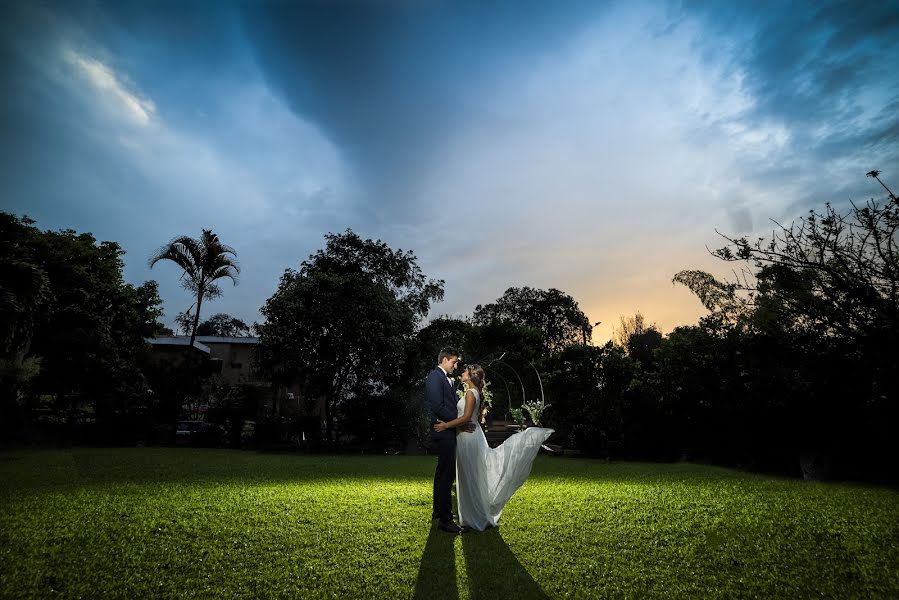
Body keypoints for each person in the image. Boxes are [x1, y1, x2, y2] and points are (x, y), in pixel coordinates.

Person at [435, 364, 554, 531]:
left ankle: (474, 518)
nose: (461, 372)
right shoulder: (473, 392)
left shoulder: (470, 393)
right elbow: (470, 419)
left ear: (470, 376)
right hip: (468, 436)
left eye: (465, 372)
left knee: (470, 477)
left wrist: (446, 425)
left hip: (468, 439)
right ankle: (472, 515)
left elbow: (467, 417)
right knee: (470, 476)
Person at [426, 348, 475, 534]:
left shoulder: (445, 378)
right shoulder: (434, 378)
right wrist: (457, 424)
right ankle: (445, 520)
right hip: (443, 430)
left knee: (442, 472)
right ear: (444, 360)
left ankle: (438, 511)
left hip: (447, 429)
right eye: (454, 362)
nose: (456, 366)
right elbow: (438, 406)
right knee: (447, 475)